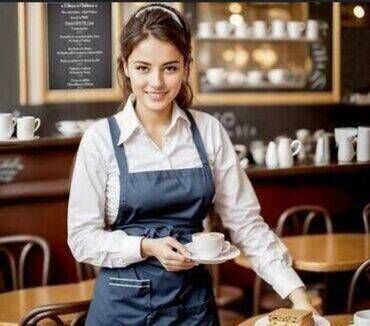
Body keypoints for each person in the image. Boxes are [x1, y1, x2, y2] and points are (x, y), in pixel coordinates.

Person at [68, 3, 316, 325]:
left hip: (193, 309)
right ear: (126, 66)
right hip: (120, 311)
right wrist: (145, 247)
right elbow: (82, 238)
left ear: (186, 67)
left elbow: (246, 224)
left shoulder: (208, 131)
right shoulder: (99, 140)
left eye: (169, 68)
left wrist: (296, 293)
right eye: (143, 68)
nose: (156, 82)